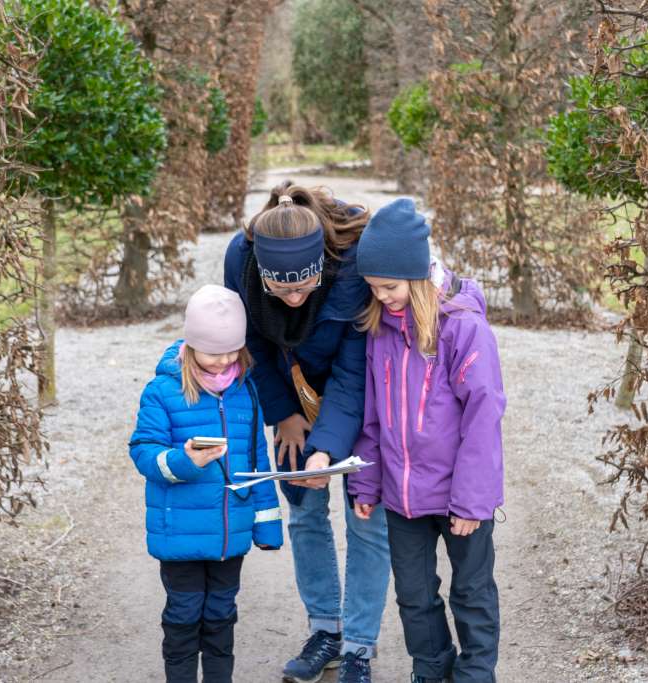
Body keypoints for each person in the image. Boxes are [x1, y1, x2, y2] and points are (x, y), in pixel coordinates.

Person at [223, 181, 391, 683]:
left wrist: (327, 450)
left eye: (304, 286)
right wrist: (284, 414)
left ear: (323, 264)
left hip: (357, 395)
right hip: (288, 391)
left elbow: (354, 368)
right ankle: (326, 630)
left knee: (367, 519)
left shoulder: (352, 261)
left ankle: (359, 645)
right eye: (282, 289)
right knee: (303, 510)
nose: (294, 298)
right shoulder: (241, 258)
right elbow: (248, 337)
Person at [347, 198, 506, 683]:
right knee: (414, 596)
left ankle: (476, 674)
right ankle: (431, 669)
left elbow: (483, 418)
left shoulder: (462, 328)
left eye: (389, 286)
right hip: (402, 496)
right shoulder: (381, 331)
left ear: (417, 276)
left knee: (471, 591)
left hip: (460, 498)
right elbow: (373, 416)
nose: (382, 297)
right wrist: (367, 484)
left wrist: (472, 502)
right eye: (373, 288)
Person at [128, 284, 283, 683]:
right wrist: (184, 461)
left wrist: (266, 523)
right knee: (183, 617)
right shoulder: (162, 391)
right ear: (192, 345)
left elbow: (257, 460)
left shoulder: (245, 391)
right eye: (214, 353)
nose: (224, 361)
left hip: (230, 536)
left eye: (232, 351)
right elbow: (144, 453)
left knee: (221, 616)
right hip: (180, 534)